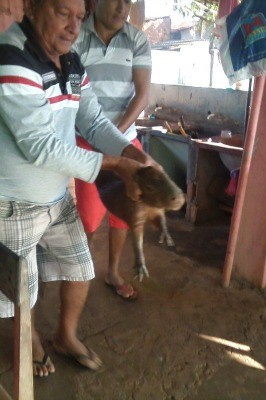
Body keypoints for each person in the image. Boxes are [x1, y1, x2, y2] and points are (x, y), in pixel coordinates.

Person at [0, 0, 156, 377]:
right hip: (13, 203)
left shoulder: (70, 61)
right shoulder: (11, 56)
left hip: (56, 198)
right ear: (32, 8)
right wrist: (117, 164)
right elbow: (39, 145)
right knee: (20, 294)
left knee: (81, 269)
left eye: (79, 17)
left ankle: (65, 336)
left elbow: (94, 120)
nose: (73, 26)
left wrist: (133, 153)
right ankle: (32, 344)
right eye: (61, 13)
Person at [73, 0, 151, 300]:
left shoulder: (137, 40)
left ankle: (112, 272)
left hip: (125, 138)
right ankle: (78, 271)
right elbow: (76, 97)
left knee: (124, 211)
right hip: (85, 141)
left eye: (129, 1)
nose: (123, 7)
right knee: (89, 216)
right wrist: (105, 142)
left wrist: (115, 140)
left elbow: (142, 95)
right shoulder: (76, 37)